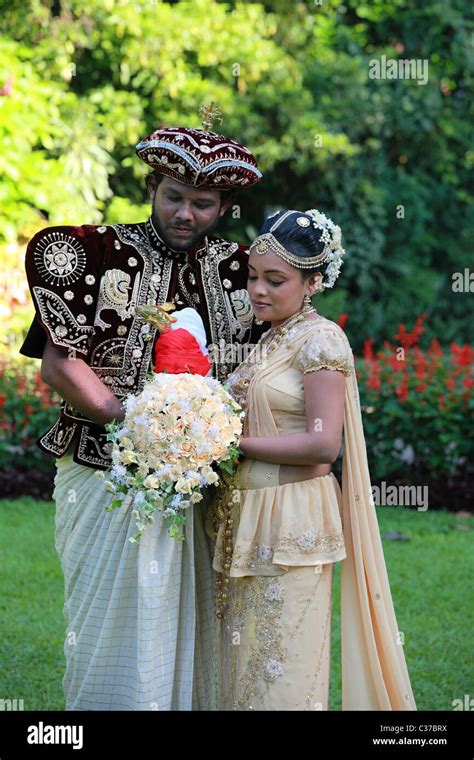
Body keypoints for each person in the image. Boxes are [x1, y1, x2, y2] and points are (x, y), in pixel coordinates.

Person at [19, 116, 268, 710]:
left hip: (203, 478)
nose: (186, 214)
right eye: (174, 197)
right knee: (112, 618)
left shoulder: (244, 271)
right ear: (152, 187)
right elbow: (58, 365)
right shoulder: (91, 252)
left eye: (203, 204)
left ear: (223, 205)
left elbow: (268, 367)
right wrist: (136, 425)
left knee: (193, 623)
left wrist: (196, 439)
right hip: (100, 465)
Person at [208, 209, 417, 711]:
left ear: (313, 281)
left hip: (292, 521)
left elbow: (324, 447)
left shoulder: (321, 339)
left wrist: (226, 442)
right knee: (242, 665)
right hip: (248, 516)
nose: (257, 289)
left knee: (282, 667)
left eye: (274, 280)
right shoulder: (269, 337)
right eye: (253, 277)